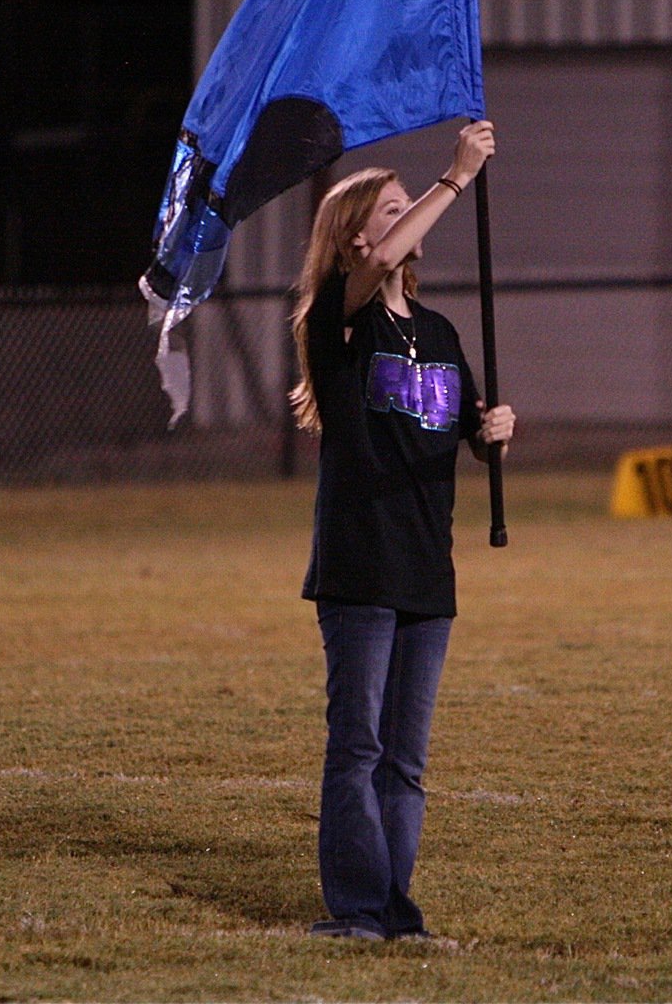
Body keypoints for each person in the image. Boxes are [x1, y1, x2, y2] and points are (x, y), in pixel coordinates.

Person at [290, 120, 516, 941]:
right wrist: (455, 178)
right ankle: (354, 909)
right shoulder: (338, 320)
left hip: (428, 567)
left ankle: (395, 909)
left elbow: (465, 433)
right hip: (359, 564)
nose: (406, 215)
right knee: (357, 747)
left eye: (408, 203)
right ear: (354, 236)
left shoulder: (442, 332)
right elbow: (382, 265)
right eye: (393, 206)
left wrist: (492, 432)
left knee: (405, 762)